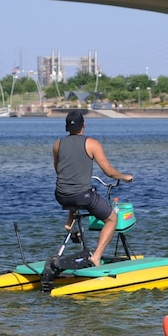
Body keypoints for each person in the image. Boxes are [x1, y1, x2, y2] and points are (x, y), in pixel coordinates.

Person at [53, 110, 133, 267]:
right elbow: (109, 172)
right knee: (111, 219)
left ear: (67, 127)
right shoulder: (92, 143)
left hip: (61, 195)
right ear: (84, 125)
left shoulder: (57, 145)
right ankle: (96, 256)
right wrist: (124, 177)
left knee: (79, 193)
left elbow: (59, 170)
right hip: (81, 195)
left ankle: (70, 223)